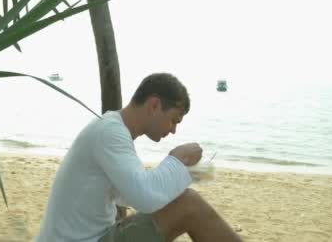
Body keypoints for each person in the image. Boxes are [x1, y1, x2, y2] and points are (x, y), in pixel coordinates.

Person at [35, 73, 242, 242]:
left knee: (180, 201)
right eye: (173, 120)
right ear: (154, 105)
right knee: (190, 204)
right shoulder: (110, 132)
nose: (173, 131)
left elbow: (129, 194)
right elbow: (145, 197)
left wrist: (183, 174)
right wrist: (176, 160)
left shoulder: (110, 129)